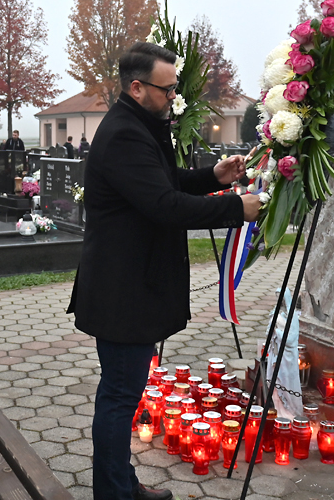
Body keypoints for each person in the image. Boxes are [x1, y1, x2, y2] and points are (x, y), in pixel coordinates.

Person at [68, 42, 260, 500]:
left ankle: (122, 485)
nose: (174, 96)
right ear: (137, 87)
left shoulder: (138, 124)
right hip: (122, 290)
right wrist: (238, 208)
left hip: (134, 284)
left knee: (125, 392)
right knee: (119, 395)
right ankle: (114, 493)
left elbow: (164, 181)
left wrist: (214, 178)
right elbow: (163, 205)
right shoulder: (125, 133)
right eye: (167, 88)